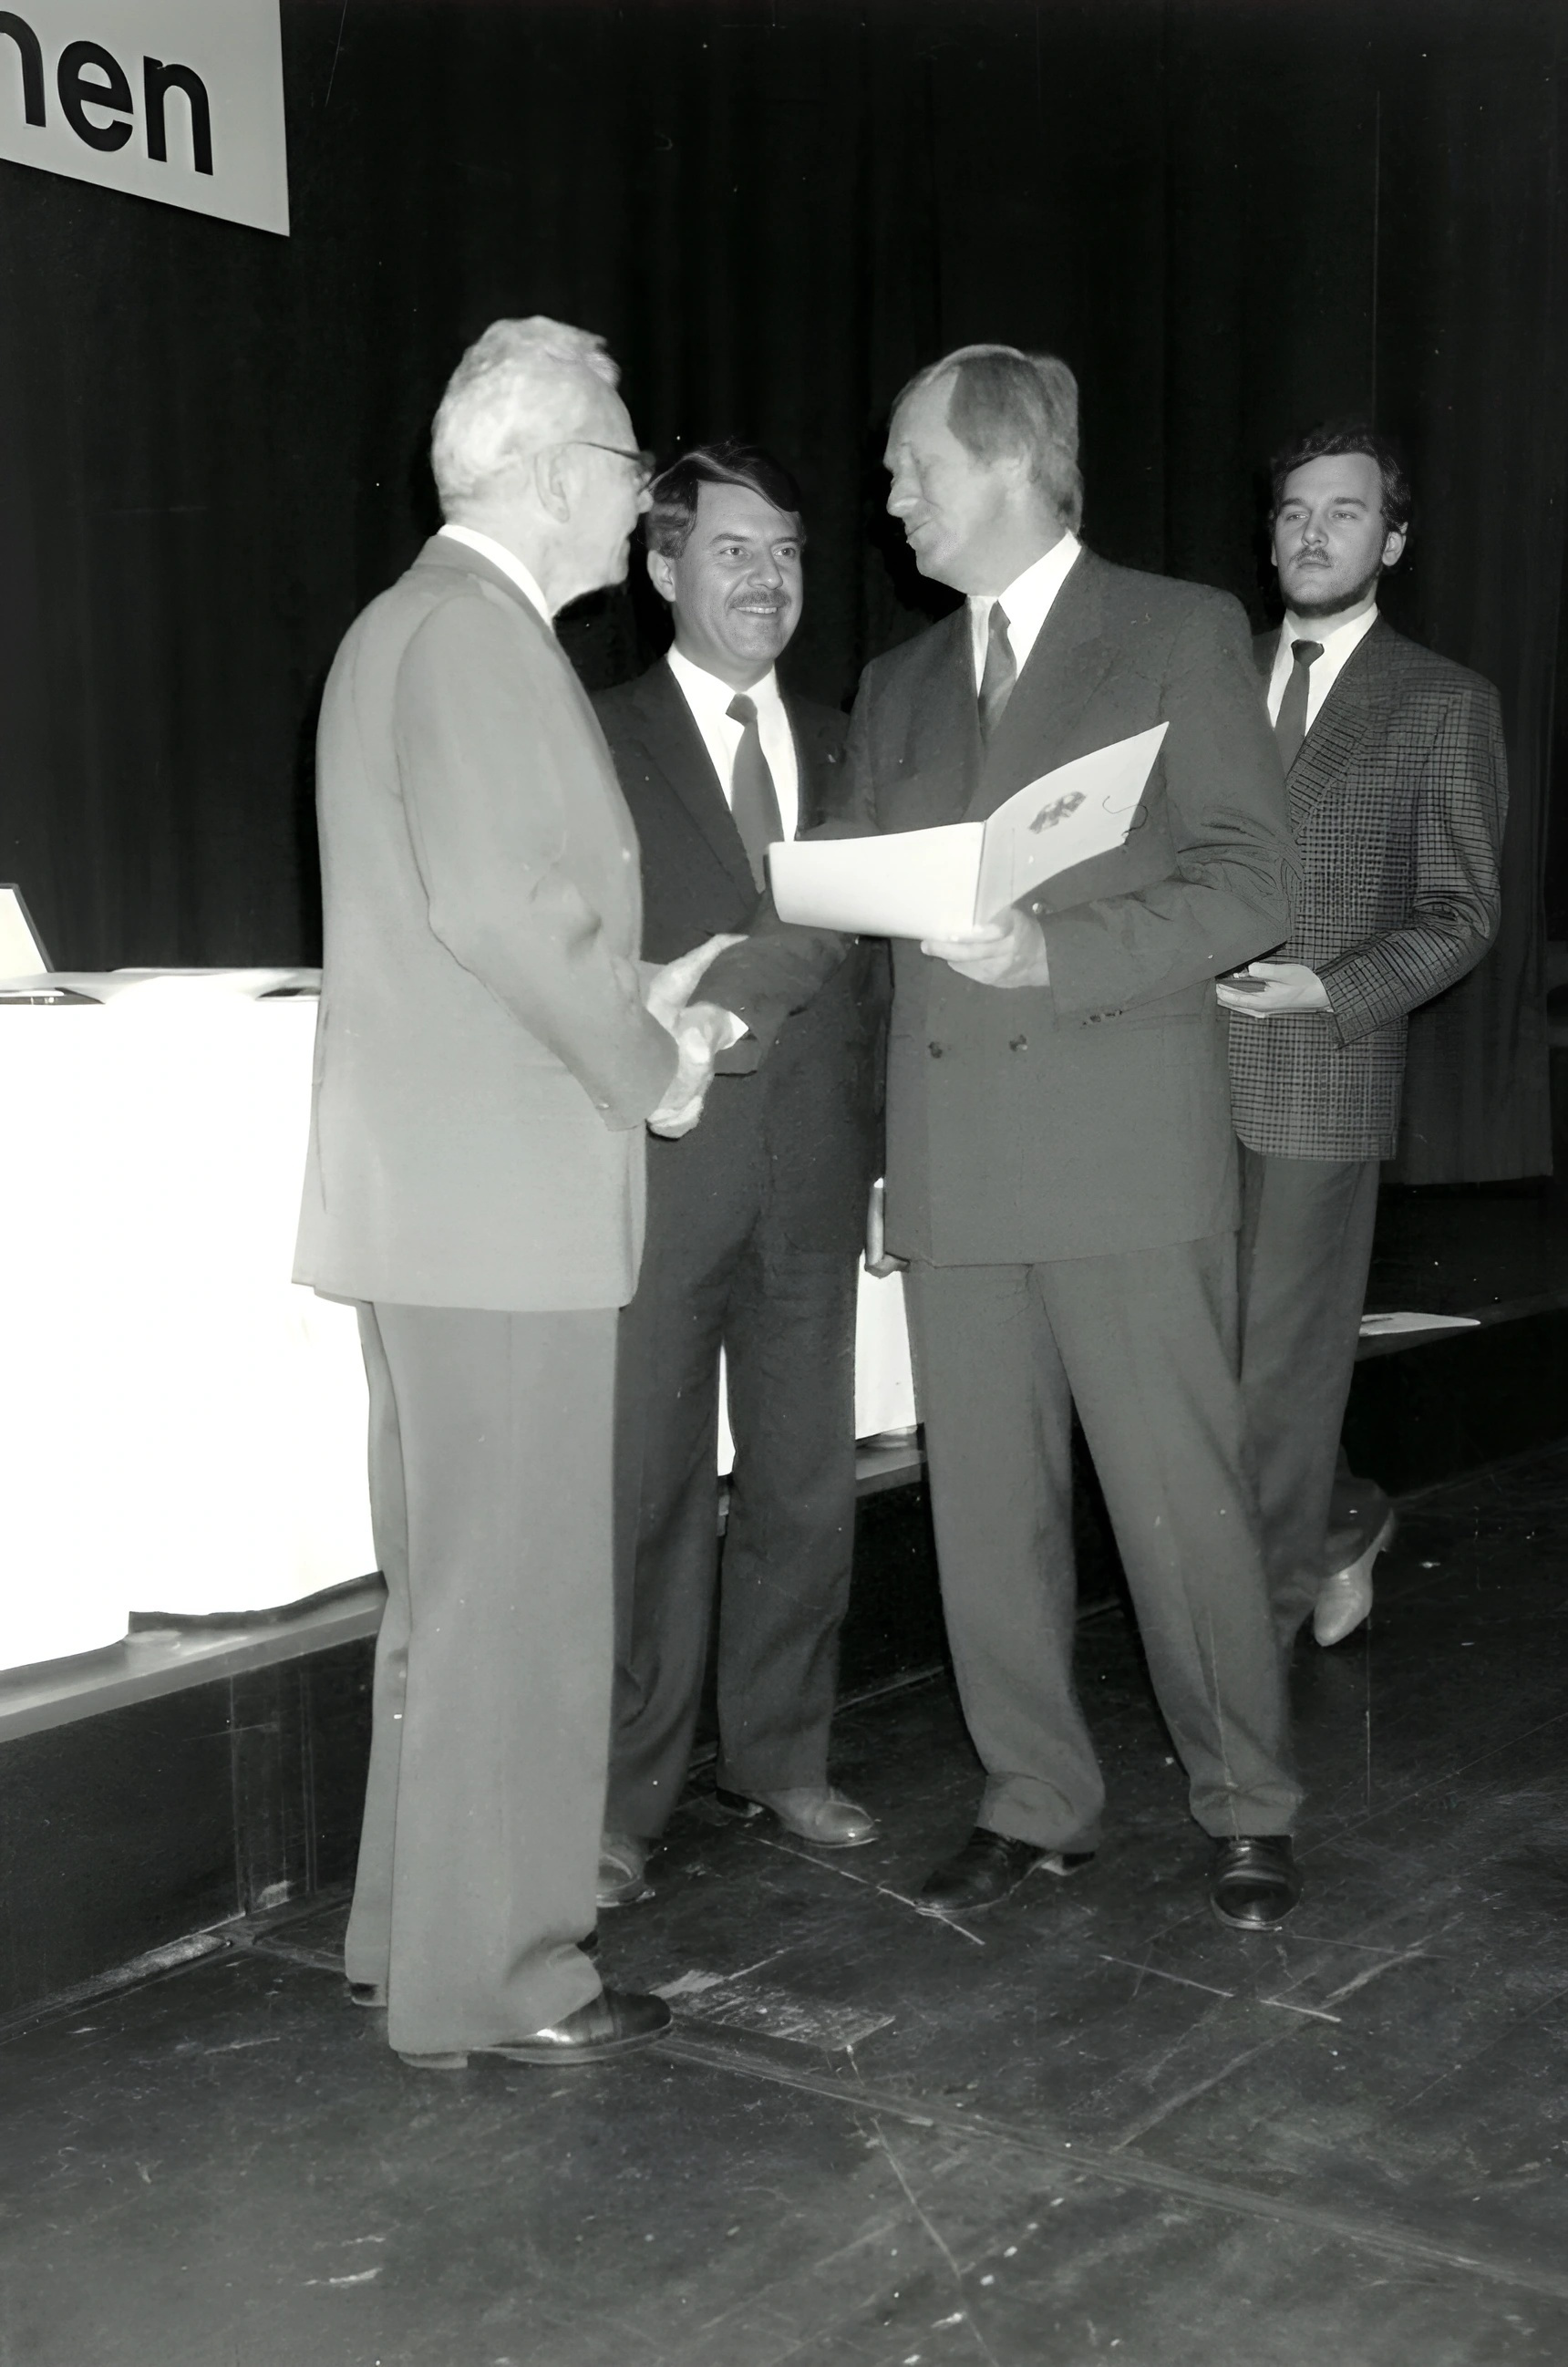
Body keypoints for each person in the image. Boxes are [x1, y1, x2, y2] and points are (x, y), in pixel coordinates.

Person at [764, 342, 1308, 1933]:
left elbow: (1251, 882)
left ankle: (1248, 1800)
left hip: (1124, 1146)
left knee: (1176, 1504)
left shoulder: (1178, 631)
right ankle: (1037, 1801)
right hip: (957, 1161)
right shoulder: (905, 681)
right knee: (985, 1516)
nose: (890, 499)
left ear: (1007, 464)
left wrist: (1058, 954)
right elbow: (851, 919)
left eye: (910, 467)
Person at [294, 317, 730, 2069]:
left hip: (448, 1209)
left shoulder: (421, 628)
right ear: (554, 474)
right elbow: (499, 913)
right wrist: (655, 1063)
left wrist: (631, 993)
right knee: (524, 1607)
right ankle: (503, 1976)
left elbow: (489, 923)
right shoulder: (473, 637)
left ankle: (417, 1939)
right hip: (504, 1215)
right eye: (632, 468)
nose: (643, 502)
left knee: (460, 1599)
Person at [593, 444, 888, 1909]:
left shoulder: (857, 742)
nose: (767, 578)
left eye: (785, 551)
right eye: (731, 551)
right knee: (645, 1492)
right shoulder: (594, 734)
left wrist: (892, 1161)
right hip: (661, 1173)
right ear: (660, 569)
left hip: (819, 1174)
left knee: (801, 1486)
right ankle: (622, 1795)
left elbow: (885, 981)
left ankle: (778, 1756)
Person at [1220, 425, 1506, 1649]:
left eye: (1341, 513)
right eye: (1292, 512)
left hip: (1315, 1076)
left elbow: (1464, 914)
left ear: (1388, 539)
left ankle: (1254, 1635)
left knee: (1274, 1370)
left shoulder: (1442, 701)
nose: (1310, 534)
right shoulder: (1206, 678)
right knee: (1222, 1357)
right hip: (1169, 1077)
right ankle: (1341, 1523)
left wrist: (1329, 990)